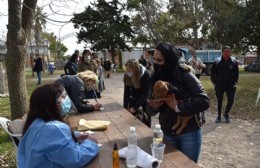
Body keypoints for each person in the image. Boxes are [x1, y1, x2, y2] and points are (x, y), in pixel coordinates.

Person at [147, 42, 209, 163]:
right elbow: (149, 109)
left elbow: (204, 100)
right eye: (154, 60)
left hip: (189, 133)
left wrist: (177, 107)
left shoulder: (184, 74)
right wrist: (153, 107)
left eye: (160, 61)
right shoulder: (155, 76)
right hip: (167, 132)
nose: (156, 64)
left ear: (169, 60)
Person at [17, 83, 99, 167]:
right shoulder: (53, 129)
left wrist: (75, 136)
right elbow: (76, 159)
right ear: (51, 104)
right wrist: (91, 143)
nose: (66, 100)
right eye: (62, 97)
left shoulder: (35, 123)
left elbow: (55, 144)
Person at [211, 46, 239, 123]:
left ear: (230, 52)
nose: (227, 53)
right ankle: (219, 116)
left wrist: (235, 82)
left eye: (228, 51)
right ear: (222, 52)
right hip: (219, 85)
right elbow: (212, 73)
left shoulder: (234, 61)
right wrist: (214, 82)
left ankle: (226, 113)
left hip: (230, 85)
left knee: (231, 100)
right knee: (219, 100)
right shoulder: (217, 61)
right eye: (225, 51)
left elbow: (236, 73)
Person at [123, 59, 152, 127]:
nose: (128, 72)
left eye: (129, 70)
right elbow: (126, 92)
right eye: (127, 70)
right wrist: (125, 107)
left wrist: (134, 107)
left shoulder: (146, 75)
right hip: (134, 97)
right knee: (131, 120)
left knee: (146, 119)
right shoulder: (127, 75)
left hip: (145, 99)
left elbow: (145, 94)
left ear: (135, 69)